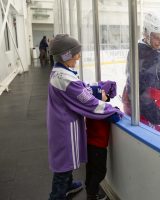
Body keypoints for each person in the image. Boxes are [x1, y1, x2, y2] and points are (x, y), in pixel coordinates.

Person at [47, 34, 122, 200]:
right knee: (63, 164)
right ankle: (57, 194)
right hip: (64, 127)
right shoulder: (64, 78)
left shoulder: (62, 71)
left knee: (65, 160)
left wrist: (98, 87)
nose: (78, 57)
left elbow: (80, 89)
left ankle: (67, 185)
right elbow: (89, 103)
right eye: (76, 54)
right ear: (66, 55)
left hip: (62, 123)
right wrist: (111, 110)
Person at [122, 12, 160, 138]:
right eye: (156, 37)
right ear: (146, 33)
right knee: (157, 145)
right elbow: (137, 92)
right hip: (138, 108)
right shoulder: (138, 53)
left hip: (153, 104)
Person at [85, 80, 119, 200]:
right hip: (98, 147)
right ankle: (92, 194)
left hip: (89, 144)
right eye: (103, 92)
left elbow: (103, 99)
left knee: (90, 168)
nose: (106, 93)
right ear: (99, 97)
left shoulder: (93, 108)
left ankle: (89, 188)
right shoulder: (102, 110)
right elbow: (115, 117)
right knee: (100, 171)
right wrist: (116, 109)